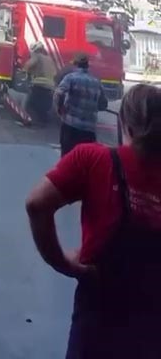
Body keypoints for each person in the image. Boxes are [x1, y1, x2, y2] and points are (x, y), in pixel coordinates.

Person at [26, 83, 161, 358]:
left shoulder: (94, 159)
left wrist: (62, 262)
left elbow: (36, 204)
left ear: (124, 122)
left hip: (100, 308)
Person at [54, 53, 108, 155]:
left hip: (71, 127)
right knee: (85, 162)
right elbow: (103, 104)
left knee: (67, 159)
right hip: (89, 131)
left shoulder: (70, 78)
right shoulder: (96, 81)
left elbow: (58, 93)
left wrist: (60, 108)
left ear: (75, 65)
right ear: (87, 65)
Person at [24, 42, 56, 124]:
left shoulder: (37, 56)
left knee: (31, 103)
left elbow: (28, 65)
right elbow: (55, 73)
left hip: (39, 84)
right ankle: (43, 121)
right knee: (44, 105)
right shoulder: (49, 59)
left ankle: (31, 121)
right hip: (50, 86)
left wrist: (26, 70)